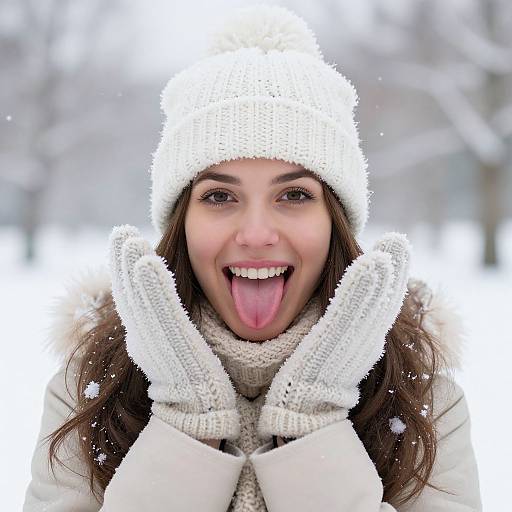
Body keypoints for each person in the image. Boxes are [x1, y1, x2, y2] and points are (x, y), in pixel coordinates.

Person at [23, 4, 482, 511]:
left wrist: (310, 422)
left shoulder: (419, 397)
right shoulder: (93, 388)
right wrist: (188, 421)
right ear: (181, 223)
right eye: (220, 197)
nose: (257, 233)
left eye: (295, 195)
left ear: (336, 221)